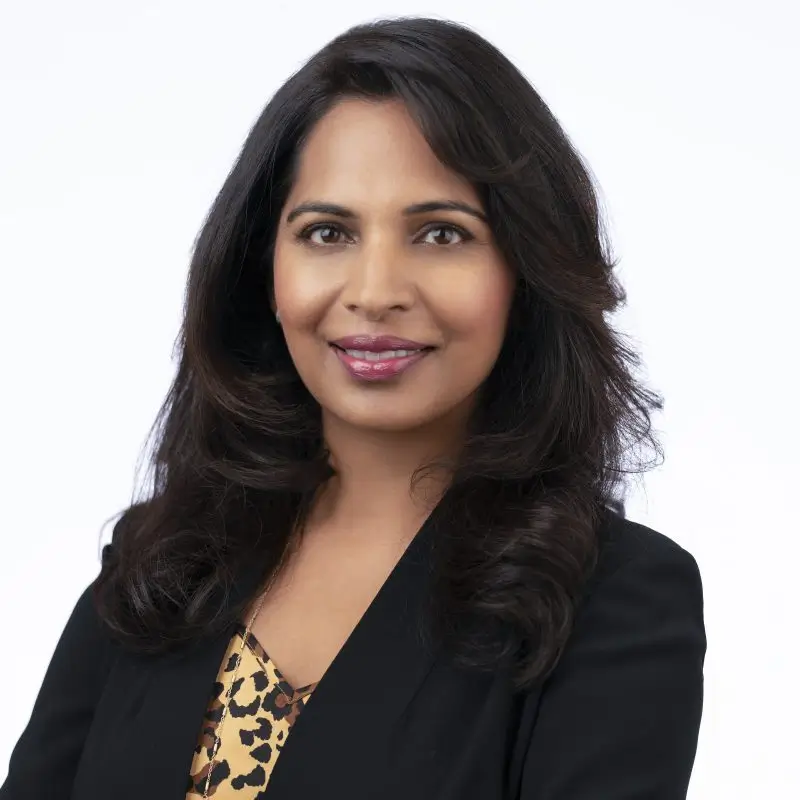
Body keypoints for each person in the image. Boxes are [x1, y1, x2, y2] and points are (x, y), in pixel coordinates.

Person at [0, 16, 706, 800]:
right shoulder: (163, 561)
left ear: (526, 271)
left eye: (441, 233)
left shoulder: (613, 601)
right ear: (263, 270)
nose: (373, 292)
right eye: (327, 231)